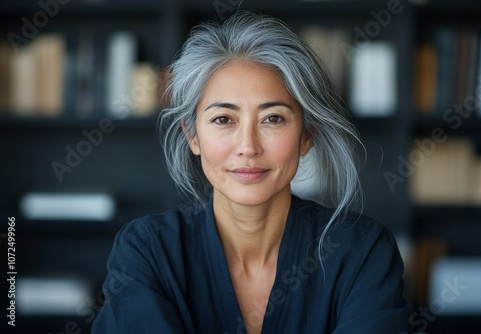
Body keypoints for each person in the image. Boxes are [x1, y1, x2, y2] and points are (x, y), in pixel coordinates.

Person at [92, 11, 413, 334]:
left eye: (273, 118)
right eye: (223, 119)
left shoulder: (362, 253)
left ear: (306, 135)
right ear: (192, 135)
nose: (248, 146)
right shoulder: (147, 251)